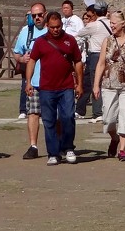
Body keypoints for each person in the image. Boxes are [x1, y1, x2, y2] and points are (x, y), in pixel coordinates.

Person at [25, 10, 84, 165]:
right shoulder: (40, 42)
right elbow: (31, 61)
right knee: (49, 120)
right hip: (46, 88)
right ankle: (53, 153)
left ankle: (68, 147)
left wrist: (80, 83)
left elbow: (78, 62)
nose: (55, 30)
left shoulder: (70, 40)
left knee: (68, 117)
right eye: (52, 27)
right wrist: (29, 81)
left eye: (57, 27)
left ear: (61, 25)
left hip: (66, 86)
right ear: (47, 26)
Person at [92, 10, 125, 161]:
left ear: (123, 24)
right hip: (109, 84)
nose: (111, 25)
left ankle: (122, 150)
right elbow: (101, 64)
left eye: (114, 23)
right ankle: (114, 138)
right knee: (108, 120)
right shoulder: (107, 41)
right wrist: (96, 85)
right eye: (110, 23)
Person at [14, 2, 47, 155]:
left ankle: (58, 144)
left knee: (56, 115)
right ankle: (33, 145)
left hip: (53, 81)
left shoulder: (53, 30)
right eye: (34, 16)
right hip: (33, 80)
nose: (37, 18)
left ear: (45, 14)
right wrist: (21, 59)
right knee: (33, 113)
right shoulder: (26, 32)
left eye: (40, 15)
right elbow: (17, 53)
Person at [74, 3, 111, 121]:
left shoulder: (94, 25)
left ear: (95, 13)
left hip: (96, 55)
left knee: (96, 83)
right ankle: (93, 110)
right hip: (109, 56)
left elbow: (78, 35)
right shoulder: (112, 24)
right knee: (99, 83)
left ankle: (97, 112)